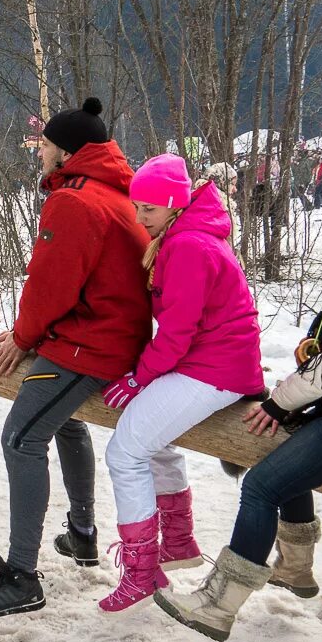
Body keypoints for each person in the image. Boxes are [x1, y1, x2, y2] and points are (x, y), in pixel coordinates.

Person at [156, 172, 322, 642]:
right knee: (281, 459)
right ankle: (296, 568)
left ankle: (217, 606)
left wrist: (280, 405)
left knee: (260, 486)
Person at [0, 97, 152, 619]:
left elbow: (51, 283)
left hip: (94, 344)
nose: (38, 153)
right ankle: (84, 534)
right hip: (107, 334)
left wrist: (22, 337)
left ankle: (22, 575)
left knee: (21, 438)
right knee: (64, 425)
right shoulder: (113, 193)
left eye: (43, 145)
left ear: (65, 152)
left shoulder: (75, 200)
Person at [96, 154, 263, 612]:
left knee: (125, 452)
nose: (139, 217)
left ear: (173, 205)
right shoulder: (184, 234)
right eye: (136, 207)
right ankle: (177, 539)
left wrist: (139, 378)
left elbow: (176, 332)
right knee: (149, 437)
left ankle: (142, 571)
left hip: (214, 367)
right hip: (211, 360)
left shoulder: (190, 246)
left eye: (148, 209)